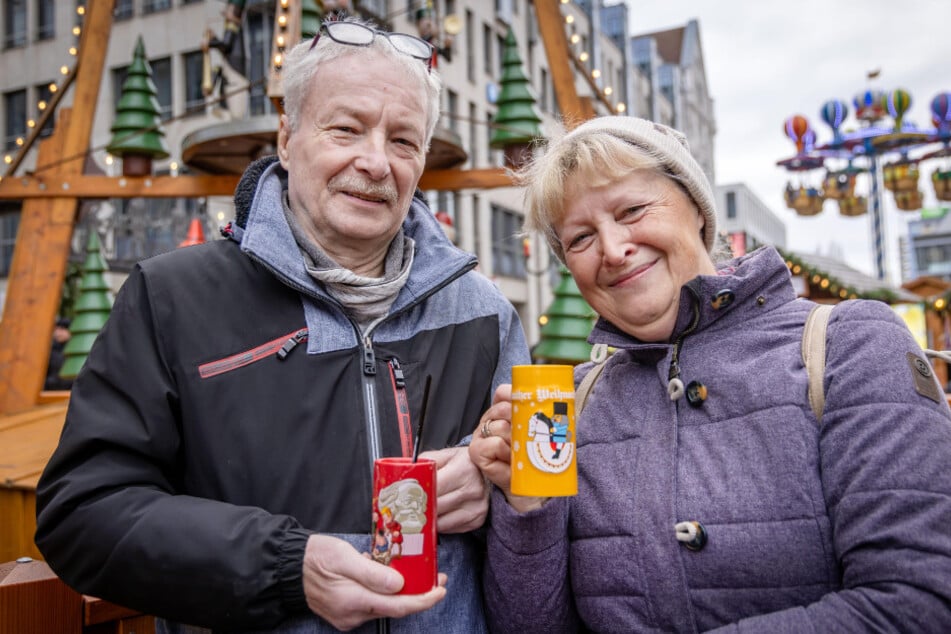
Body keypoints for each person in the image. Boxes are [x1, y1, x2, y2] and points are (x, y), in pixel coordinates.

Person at [35, 17, 530, 633]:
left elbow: (537, 501)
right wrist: (284, 565)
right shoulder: (172, 299)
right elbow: (82, 514)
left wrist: (494, 491)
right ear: (288, 137)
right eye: (346, 129)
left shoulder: (483, 312)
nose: (376, 162)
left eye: (403, 141)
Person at [470, 116, 951, 632]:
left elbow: (918, 602)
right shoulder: (572, 404)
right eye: (581, 238)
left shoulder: (850, 345)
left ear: (697, 209)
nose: (612, 249)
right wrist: (528, 505)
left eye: (632, 210)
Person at [43, 317, 73, 391]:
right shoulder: (48, 350)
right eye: (56, 329)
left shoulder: (76, 350)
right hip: (50, 391)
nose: (58, 333)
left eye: (62, 329)